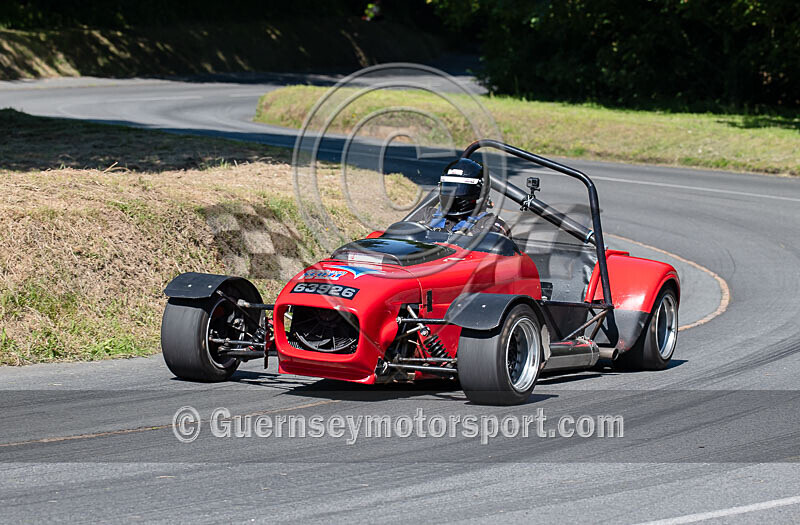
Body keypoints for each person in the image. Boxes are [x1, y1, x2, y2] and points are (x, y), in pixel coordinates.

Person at [418, 158, 510, 237]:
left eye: (461, 189)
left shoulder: (489, 223)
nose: (453, 195)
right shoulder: (427, 214)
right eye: (448, 187)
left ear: (479, 192)